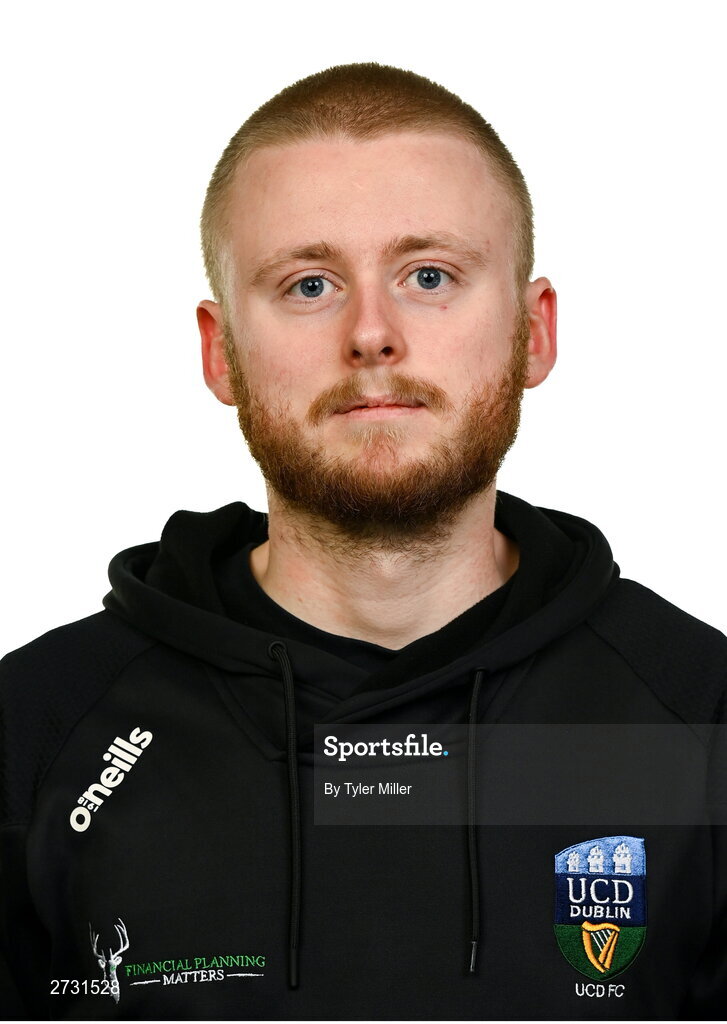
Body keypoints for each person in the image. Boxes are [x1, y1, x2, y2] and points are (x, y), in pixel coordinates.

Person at [1, 62, 725, 1021]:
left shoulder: (700, 717)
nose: (371, 334)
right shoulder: (34, 733)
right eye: (309, 284)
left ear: (532, 331)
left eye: (429, 276)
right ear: (220, 352)